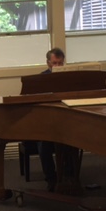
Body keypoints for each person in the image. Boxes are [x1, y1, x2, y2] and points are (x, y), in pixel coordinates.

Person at [38, 47, 66, 190]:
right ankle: (51, 178)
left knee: (73, 141)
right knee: (44, 146)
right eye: (55, 63)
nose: (57, 66)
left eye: (60, 63)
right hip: (46, 120)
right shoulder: (41, 79)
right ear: (48, 63)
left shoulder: (70, 77)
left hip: (67, 119)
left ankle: (69, 176)